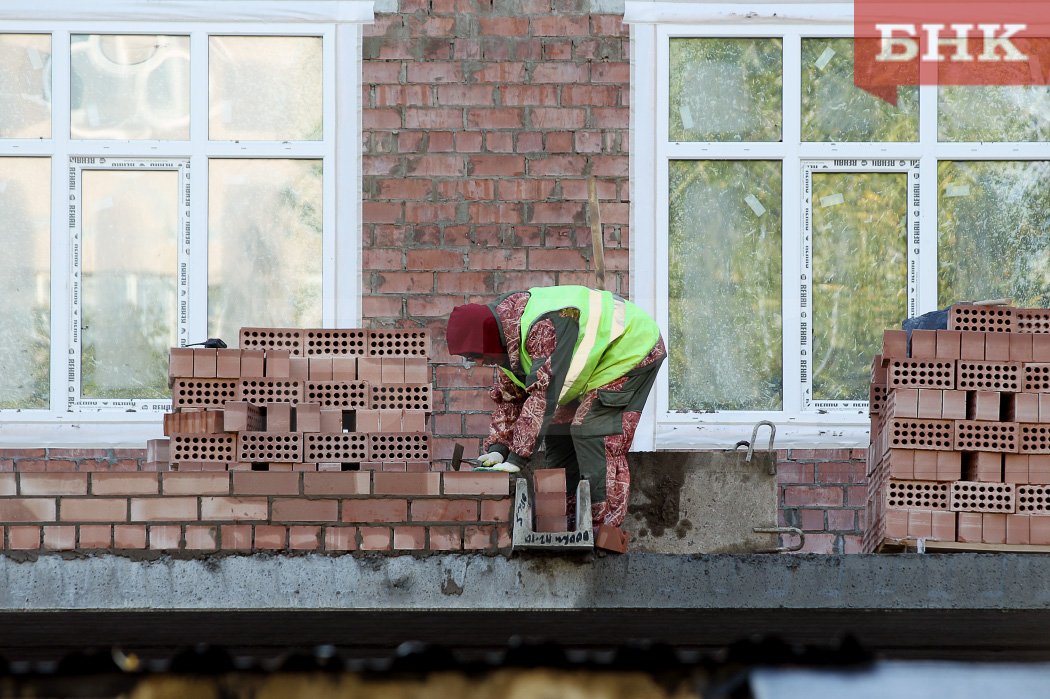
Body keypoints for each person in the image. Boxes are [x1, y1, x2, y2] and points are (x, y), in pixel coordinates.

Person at [446, 286, 665, 528]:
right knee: (557, 430)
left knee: (592, 430)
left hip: (631, 345)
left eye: (475, 354)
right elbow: (510, 401)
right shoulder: (506, 345)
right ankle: (566, 523)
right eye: (470, 358)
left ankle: (601, 529)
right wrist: (499, 449)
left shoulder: (544, 327)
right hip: (593, 366)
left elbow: (543, 397)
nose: (478, 362)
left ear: (487, 338)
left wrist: (517, 459)